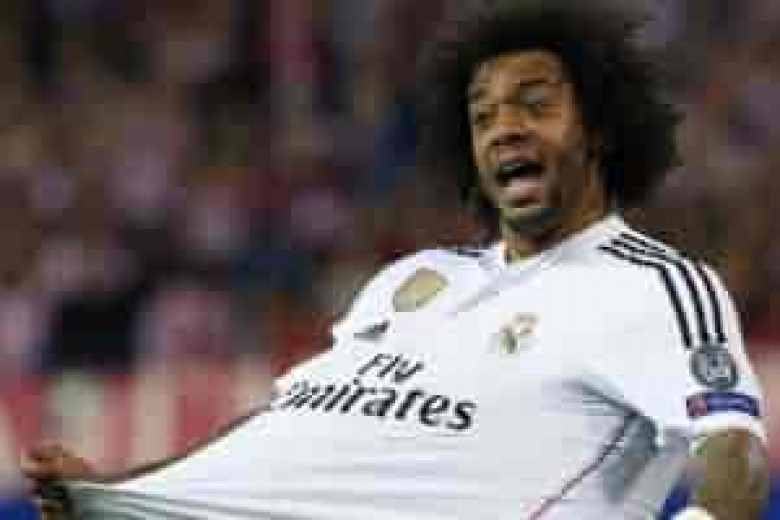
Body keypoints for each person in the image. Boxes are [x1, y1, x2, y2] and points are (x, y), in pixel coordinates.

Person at [22, 0, 770, 518]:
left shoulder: (652, 285)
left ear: (601, 129)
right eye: (482, 116)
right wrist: (121, 492)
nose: (503, 128)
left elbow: (732, 452)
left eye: (535, 105)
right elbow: (286, 425)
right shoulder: (412, 280)